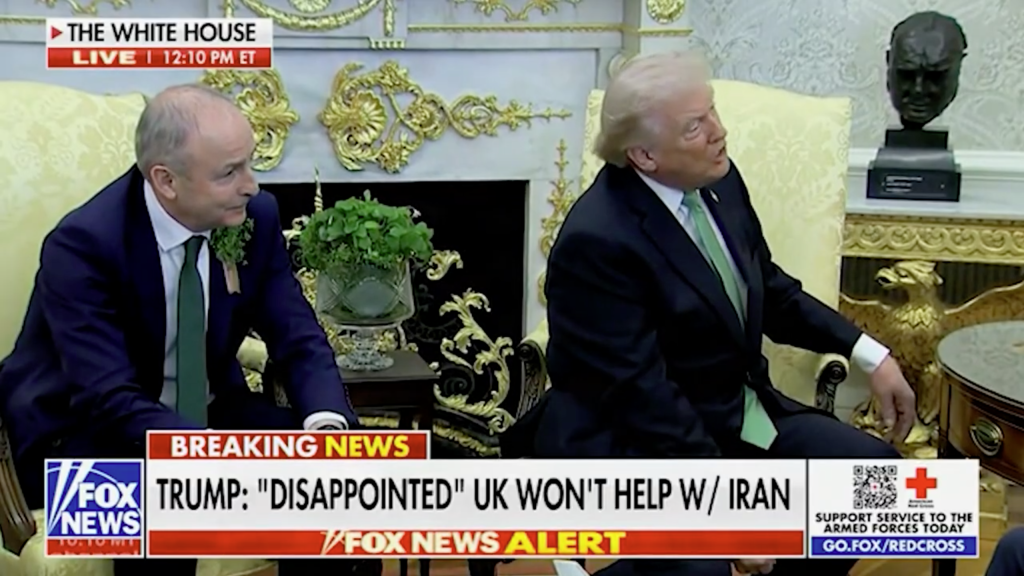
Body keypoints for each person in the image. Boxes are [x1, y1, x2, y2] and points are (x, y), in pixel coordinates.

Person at [502, 51, 916, 576]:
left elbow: (769, 290)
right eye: (695, 126)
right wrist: (727, 510)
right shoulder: (597, 241)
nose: (720, 131)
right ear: (644, 156)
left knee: (876, 486)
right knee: (704, 568)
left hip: (738, 417)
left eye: (712, 111)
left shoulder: (717, 178)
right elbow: (642, 396)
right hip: (641, 447)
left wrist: (869, 354)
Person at [0, 84, 360, 576]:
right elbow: (107, 398)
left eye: (250, 164)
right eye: (229, 173)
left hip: (211, 414)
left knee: (339, 488)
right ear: (166, 180)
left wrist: (326, 430)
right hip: (84, 440)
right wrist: (217, 459)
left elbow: (298, 337)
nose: (251, 185)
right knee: (174, 503)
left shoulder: (252, 217)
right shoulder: (83, 245)